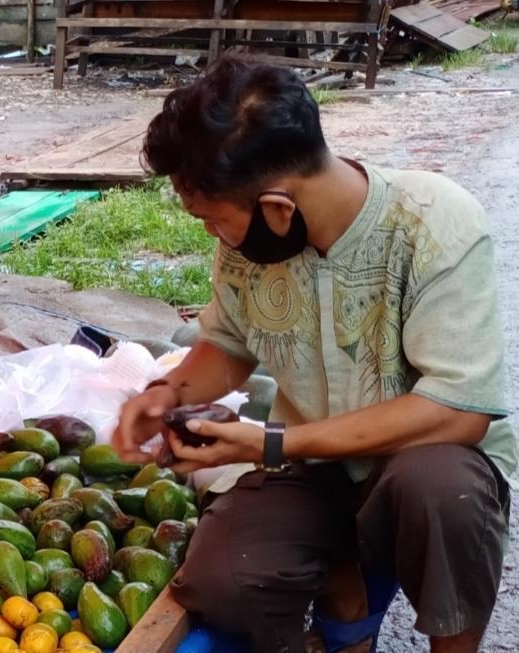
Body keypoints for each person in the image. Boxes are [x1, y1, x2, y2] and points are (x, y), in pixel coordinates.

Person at [112, 57, 516, 653]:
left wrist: (273, 444)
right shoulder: (253, 242)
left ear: (278, 207)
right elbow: (227, 344)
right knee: (222, 581)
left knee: (441, 491)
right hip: (315, 470)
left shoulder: (435, 224)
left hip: (418, 465)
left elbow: (459, 410)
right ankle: (343, 584)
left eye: (211, 219)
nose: (209, 235)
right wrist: (168, 393)